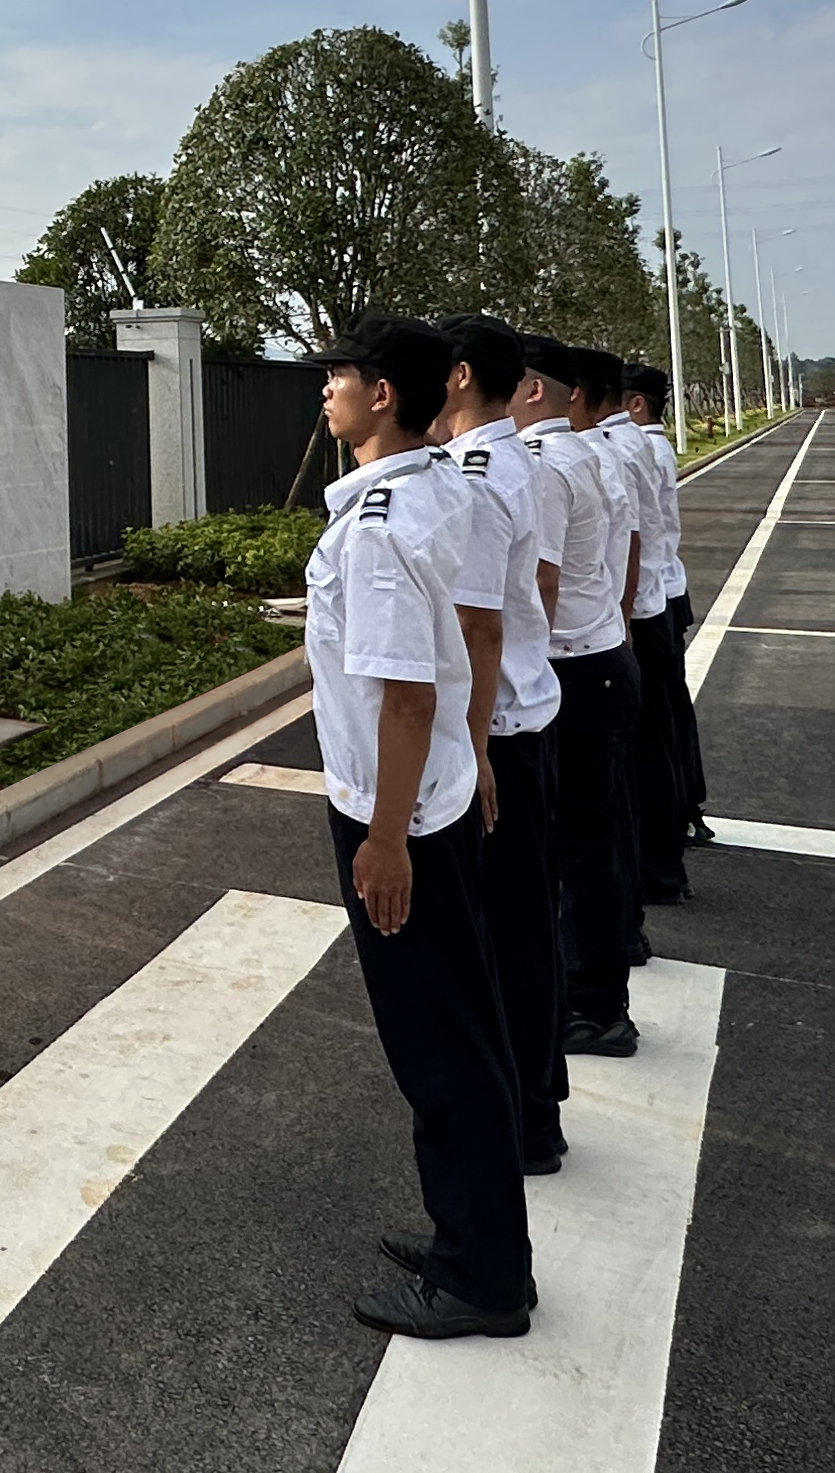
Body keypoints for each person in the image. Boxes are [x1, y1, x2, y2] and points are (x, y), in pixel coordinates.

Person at [304, 313, 535, 1341]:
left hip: (398, 812)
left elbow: (402, 696)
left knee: (438, 1050)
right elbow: (462, 646)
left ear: (383, 394)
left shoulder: (382, 529)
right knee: (464, 1032)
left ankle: (480, 1276)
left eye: (338, 376)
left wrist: (386, 840)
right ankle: (475, 1238)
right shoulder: (439, 487)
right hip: (432, 792)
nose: (327, 391)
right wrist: (470, 755)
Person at [434, 313, 568, 1174]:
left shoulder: (480, 476)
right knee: (524, 929)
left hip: (502, 734)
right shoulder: (511, 461)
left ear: (459, 376)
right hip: (521, 720)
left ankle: (522, 1123)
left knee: (504, 939)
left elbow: (479, 626)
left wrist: (473, 749)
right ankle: (533, 1108)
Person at [520, 337, 649, 1059]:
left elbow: (541, 582)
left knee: (575, 848)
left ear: (535, 390)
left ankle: (594, 1007)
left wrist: (518, 673)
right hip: (601, 655)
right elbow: (623, 548)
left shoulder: (545, 465)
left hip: (572, 667)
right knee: (598, 835)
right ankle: (611, 965)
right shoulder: (590, 453)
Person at [619, 366, 708, 887]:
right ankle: (684, 810)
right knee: (668, 718)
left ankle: (663, 850)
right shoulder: (651, 447)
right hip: (663, 593)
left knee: (654, 730)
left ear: (636, 404)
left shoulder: (638, 449)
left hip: (650, 601)